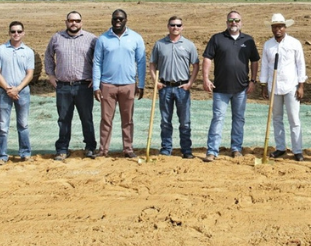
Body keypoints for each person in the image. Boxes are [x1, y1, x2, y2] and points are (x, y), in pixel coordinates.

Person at [200, 10, 259, 161]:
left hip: (241, 88)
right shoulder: (217, 38)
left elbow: (254, 61)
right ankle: (212, 151)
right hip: (220, 88)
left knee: (239, 119)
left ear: (241, 22)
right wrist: (205, 79)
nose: (234, 23)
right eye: (231, 20)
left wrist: (253, 81)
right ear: (227, 22)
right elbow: (207, 59)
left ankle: (236, 148)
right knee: (218, 118)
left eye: (237, 20)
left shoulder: (249, 40)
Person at [91, 9, 147, 158]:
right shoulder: (103, 39)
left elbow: (141, 62)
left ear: (126, 20)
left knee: (127, 119)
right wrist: (96, 86)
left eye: (121, 19)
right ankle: (103, 150)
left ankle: (128, 149)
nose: (118, 21)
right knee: (106, 119)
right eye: (115, 19)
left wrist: (141, 84)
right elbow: (97, 63)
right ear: (111, 20)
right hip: (107, 85)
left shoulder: (136, 38)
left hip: (128, 85)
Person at [44, 11, 98, 161]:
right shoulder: (57, 38)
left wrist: (96, 77)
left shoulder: (91, 39)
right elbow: (48, 56)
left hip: (84, 86)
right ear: (66, 22)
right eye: (71, 20)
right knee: (63, 119)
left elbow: (100, 59)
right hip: (63, 86)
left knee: (86, 118)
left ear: (82, 22)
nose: (74, 23)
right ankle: (62, 149)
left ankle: (90, 147)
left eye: (77, 20)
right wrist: (51, 75)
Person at [258, 13, 306, 161]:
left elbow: (300, 64)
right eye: (275, 26)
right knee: (277, 118)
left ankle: (297, 150)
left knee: (294, 119)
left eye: (280, 26)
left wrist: (301, 85)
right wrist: (264, 85)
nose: (278, 29)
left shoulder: (294, 43)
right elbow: (265, 66)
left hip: (291, 85)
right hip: (274, 86)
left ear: (285, 28)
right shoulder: (268, 45)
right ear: (272, 28)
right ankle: (280, 148)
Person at [150, 15, 200, 157]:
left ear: (182, 27)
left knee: (185, 122)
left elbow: (196, 65)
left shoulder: (189, 45)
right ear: (168, 26)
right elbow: (152, 64)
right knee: (165, 121)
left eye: (178, 25)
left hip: (182, 88)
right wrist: (155, 82)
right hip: (165, 87)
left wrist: (190, 83)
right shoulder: (160, 44)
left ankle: (186, 149)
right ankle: (166, 149)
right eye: (172, 25)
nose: (175, 27)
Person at [0, 21, 37, 165]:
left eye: (18, 31)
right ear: (9, 33)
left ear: (23, 33)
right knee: (3, 125)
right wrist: (8, 89)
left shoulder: (28, 52)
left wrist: (18, 88)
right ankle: (2, 155)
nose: (16, 34)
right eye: (13, 31)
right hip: (4, 93)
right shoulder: (0, 50)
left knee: (23, 124)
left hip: (22, 92)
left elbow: (30, 74)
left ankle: (25, 152)